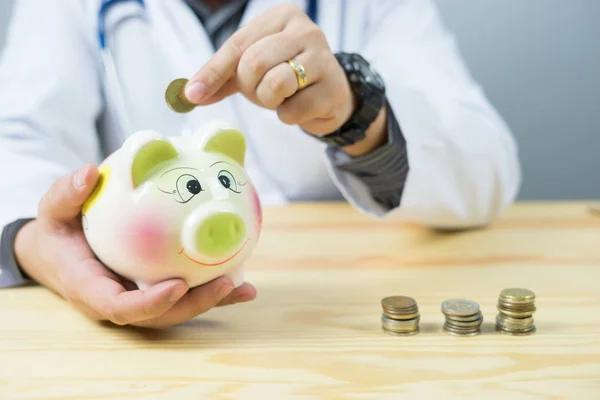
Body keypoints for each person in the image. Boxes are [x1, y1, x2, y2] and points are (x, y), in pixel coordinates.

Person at [0, 0, 521, 328]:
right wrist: (35, 242)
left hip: (328, 310)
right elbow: (17, 138)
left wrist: (359, 109)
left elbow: (486, 168)